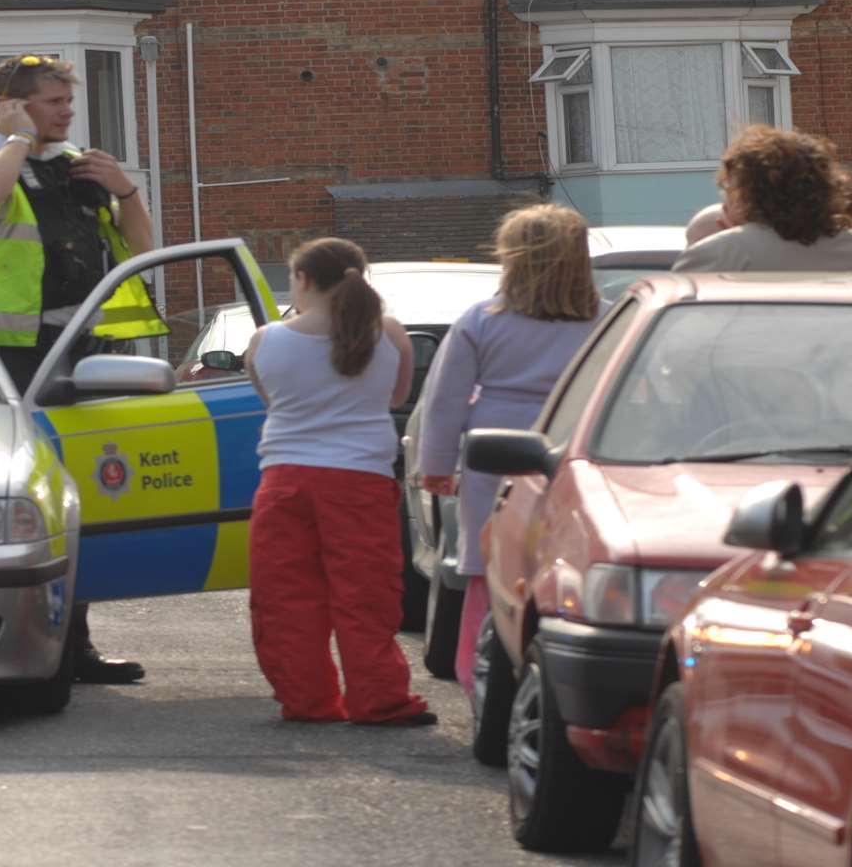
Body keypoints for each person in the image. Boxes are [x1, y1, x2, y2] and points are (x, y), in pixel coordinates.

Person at [0, 54, 163, 685]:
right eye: (53, 103)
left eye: (66, 103)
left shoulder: (76, 172)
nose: (68, 113)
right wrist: (16, 138)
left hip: (75, 357)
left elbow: (148, 252)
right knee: (10, 505)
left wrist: (124, 189)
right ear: (10, 106)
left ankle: (74, 648)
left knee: (72, 505)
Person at [415, 204, 605, 706]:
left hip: (493, 457)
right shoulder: (607, 321)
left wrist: (434, 467)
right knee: (566, 565)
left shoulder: (482, 320)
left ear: (514, 261)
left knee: (488, 568)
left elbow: (444, 400)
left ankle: (482, 679)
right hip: (577, 452)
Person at [240, 237, 432, 725]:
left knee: (286, 598)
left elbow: (270, 400)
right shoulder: (388, 334)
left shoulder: (266, 340)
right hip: (360, 481)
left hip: (285, 481)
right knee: (366, 595)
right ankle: (379, 699)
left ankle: (308, 701)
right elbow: (397, 396)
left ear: (303, 280)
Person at [673, 126, 852, 271]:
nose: (725, 197)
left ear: (745, 193)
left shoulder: (720, 253)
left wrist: (734, 242)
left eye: (728, 186)